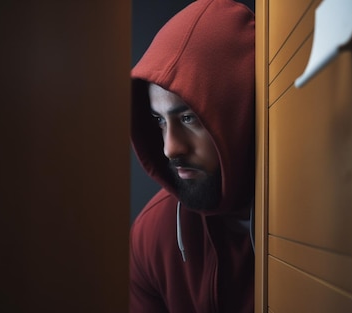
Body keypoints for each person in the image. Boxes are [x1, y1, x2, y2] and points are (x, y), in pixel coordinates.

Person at [129, 0, 255, 312]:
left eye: (188, 118)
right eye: (159, 121)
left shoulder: (309, 221)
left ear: (238, 110)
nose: (170, 148)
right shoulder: (151, 234)